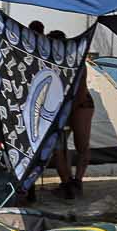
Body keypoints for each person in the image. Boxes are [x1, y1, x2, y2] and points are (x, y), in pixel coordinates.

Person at [48, 47, 97, 200]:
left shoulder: (74, 63)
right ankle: (70, 183)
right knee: (61, 147)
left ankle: (74, 182)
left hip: (79, 104)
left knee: (77, 145)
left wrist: (68, 110)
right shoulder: (62, 61)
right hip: (71, 105)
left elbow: (81, 91)